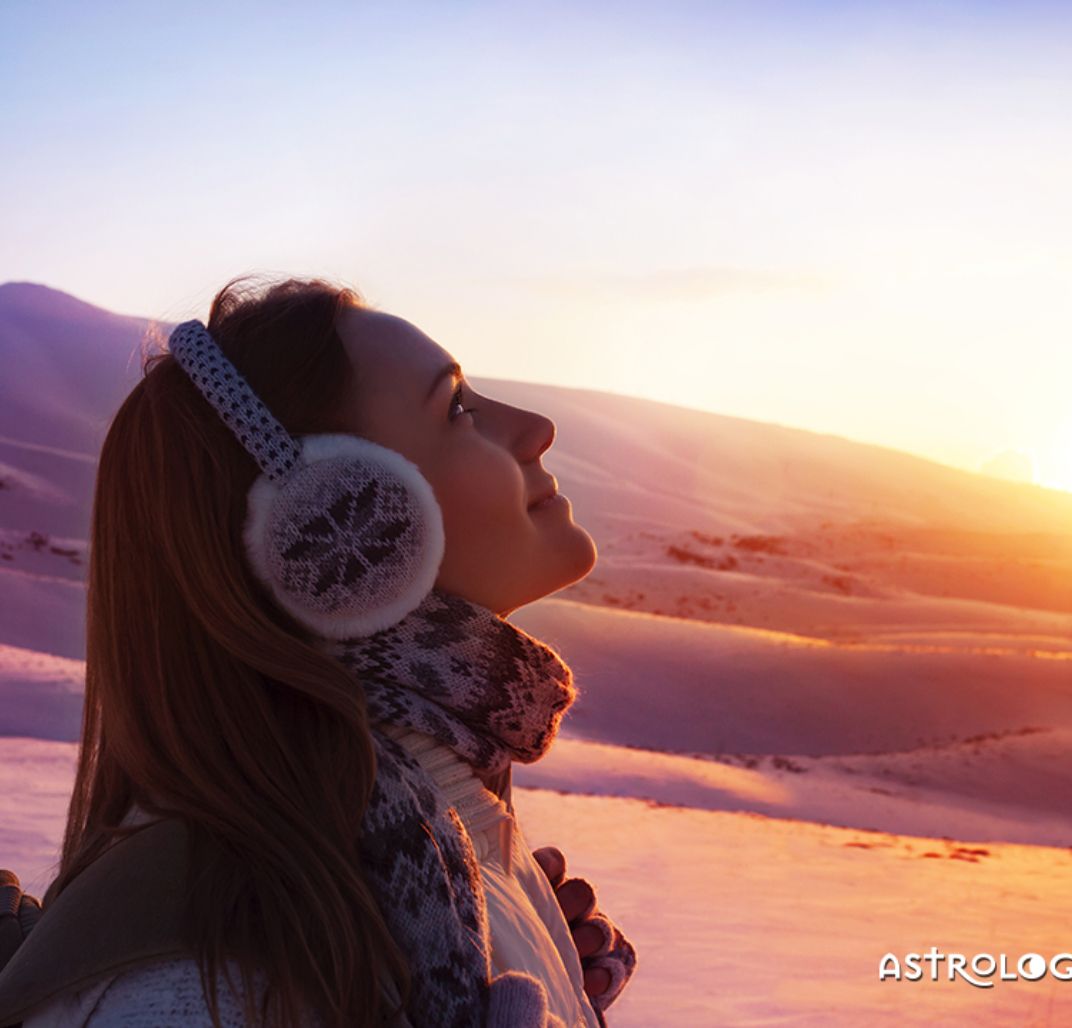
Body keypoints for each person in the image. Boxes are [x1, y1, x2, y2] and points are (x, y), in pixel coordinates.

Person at [11, 275, 637, 1026]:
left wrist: (530, 938)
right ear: (335, 517)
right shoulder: (210, 976)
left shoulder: (439, 846)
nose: (537, 428)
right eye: (457, 409)